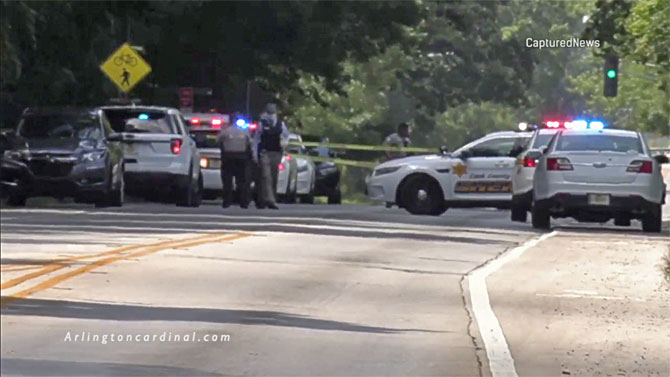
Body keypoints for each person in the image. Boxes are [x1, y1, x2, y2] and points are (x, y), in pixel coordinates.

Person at [254, 103, 289, 209]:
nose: (271, 114)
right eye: (269, 112)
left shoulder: (280, 124)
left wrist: (284, 144)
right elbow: (256, 140)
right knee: (266, 176)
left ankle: (268, 198)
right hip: (265, 153)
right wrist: (255, 154)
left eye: (272, 112)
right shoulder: (262, 124)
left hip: (276, 153)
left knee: (274, 177)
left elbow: (286, 136)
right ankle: (270, 200)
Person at [218, 113, 256, 209]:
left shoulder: (226, 130)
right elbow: (250, 143)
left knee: (227, 181)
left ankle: (227, 202)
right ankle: (243, 202)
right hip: (241, 157)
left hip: (228, 157)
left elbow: (218, 140)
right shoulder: (245, 131)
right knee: (242, 181)